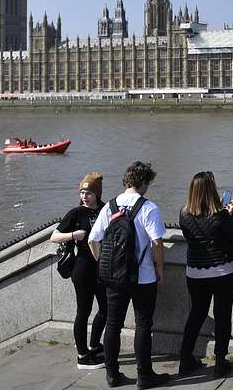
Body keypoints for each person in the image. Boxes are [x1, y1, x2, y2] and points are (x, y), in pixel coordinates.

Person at [89, 162, 170, 389]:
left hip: (114, 277)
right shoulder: (148, 207)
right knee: (143, 324)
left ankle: (112, 375)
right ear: (144, 182)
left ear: (126, 181)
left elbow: (92, 240)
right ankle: (145, 377)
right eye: (149, 183)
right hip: (143, 277)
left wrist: (105, 265)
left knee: (113, 323)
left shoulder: (110, 206)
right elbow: (157, 243)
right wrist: (160, 270)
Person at [178, 171, 233, 378]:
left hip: (195, 272)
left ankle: (185, 358)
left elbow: (193, 236)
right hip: (223, 271)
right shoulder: (220, 215)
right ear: (211, 191)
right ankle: (220, 362)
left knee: (197, 313)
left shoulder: (183, 213)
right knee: (223, 313)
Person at [50, 173, 107, 370]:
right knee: (84, 310)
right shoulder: (75, 213)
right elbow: (54, 236)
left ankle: (95, 345)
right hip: (82, 267)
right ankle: (82, 355)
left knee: (106, 309)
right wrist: (74, 234)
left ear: (97, 194)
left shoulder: (105, 209)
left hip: (102, 267)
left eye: (89, 192)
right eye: (82, 192)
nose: (85, 196)